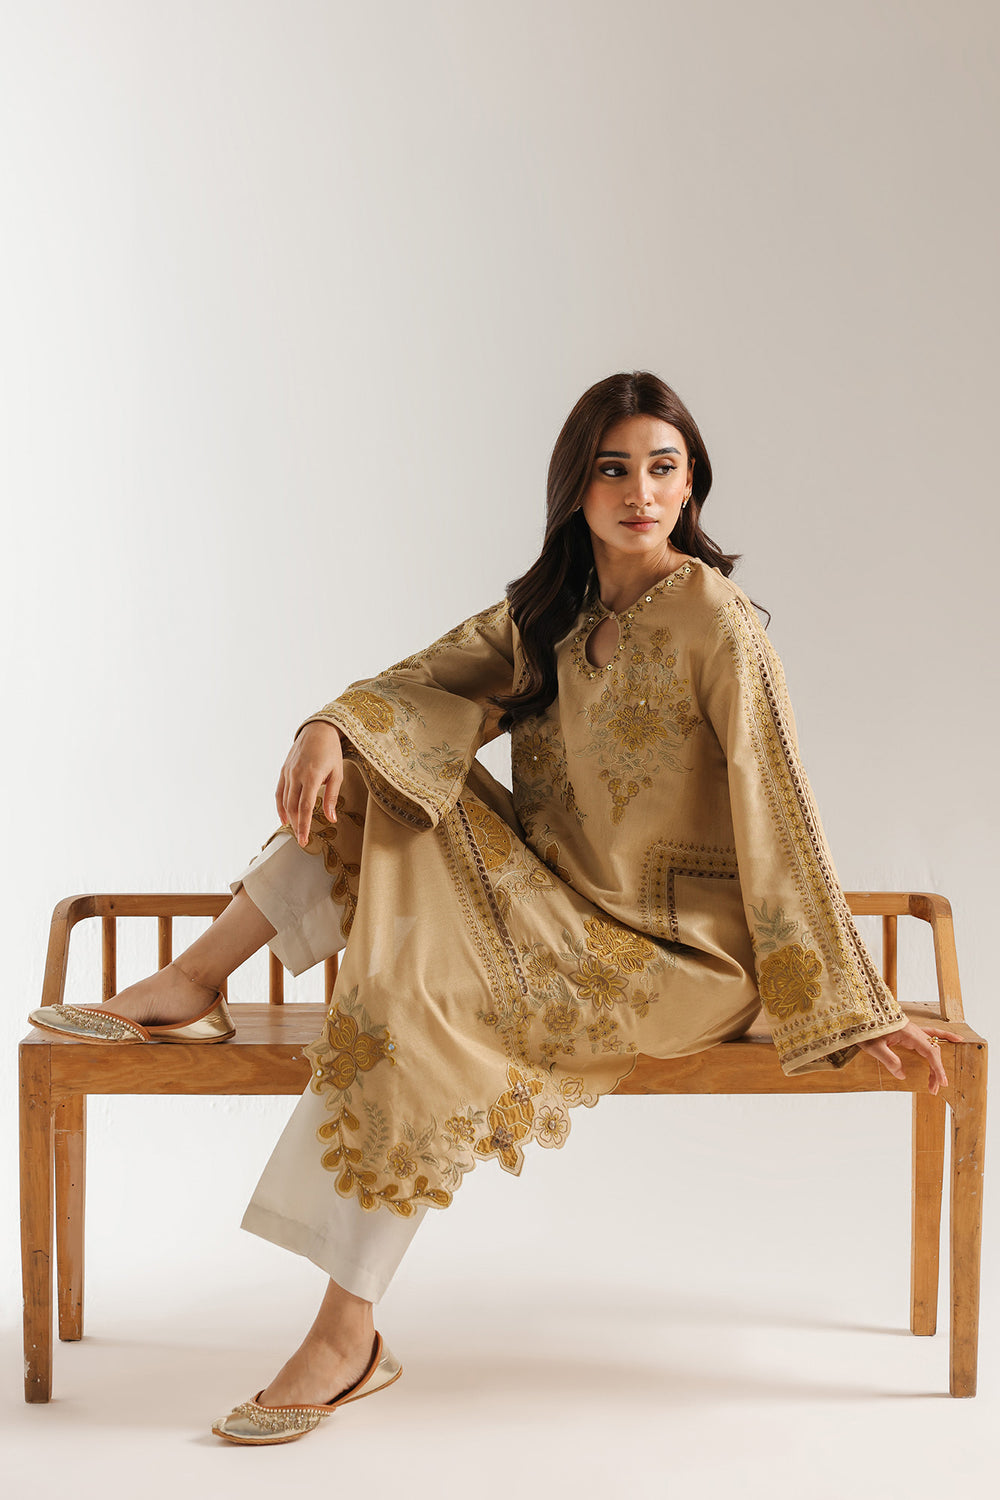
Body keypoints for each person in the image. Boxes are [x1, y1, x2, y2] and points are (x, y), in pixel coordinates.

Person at [28, 370, 962, 1445]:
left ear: (692, 483)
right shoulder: (550, 615)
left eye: (663, 468)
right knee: (378, 762)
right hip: (550, 916)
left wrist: (847, 1005)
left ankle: (345, 1332)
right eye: (613, 468)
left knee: (410, 1001)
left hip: (670, 962)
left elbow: (779, 806)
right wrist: (324, 728)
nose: (640, 492)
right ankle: (196, 981)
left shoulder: (716, 620)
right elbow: (416, 688)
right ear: (575, 487)